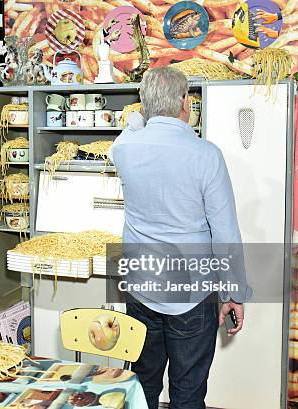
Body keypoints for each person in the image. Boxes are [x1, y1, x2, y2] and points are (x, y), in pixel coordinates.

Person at [110, 67, 252, 409]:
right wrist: (234, 293)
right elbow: (225, 234)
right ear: (184, 102)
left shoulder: (124, 149)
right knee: (187, 393)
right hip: (192, 294)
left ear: (143, 105)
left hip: (141, 289)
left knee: (142, 384)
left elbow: (131, 128)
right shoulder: (206, 155)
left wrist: (141, 117)